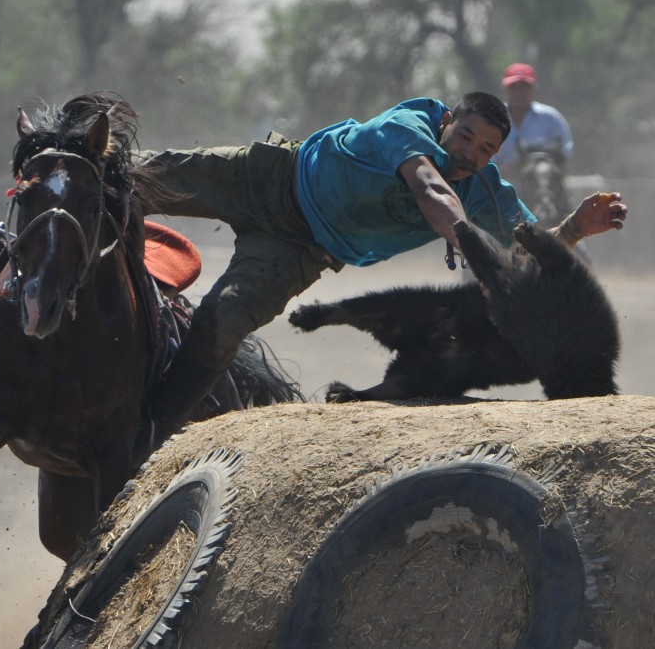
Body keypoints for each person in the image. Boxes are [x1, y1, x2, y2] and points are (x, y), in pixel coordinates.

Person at [137, 91, 626, 439]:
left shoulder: (486, 190)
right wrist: (469, 240)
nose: (470, 153)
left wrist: (575, 228)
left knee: (222, 324)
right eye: (466, 136)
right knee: (129, 176)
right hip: (266, 177)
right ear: (447, 121)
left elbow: (526, 259)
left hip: (302, 250)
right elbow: (431, 190)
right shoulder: (407, 125)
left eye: (486, 150)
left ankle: (150, 433)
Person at [493, 63, 574, 187]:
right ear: (505, 90)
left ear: (534, 89)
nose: (519, 92)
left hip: (543, 188)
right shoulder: (492, 117)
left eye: (525, 86)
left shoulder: (550, 118)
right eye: (514, 87)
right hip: (499, 188)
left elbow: (566, 150)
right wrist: (501, 169)